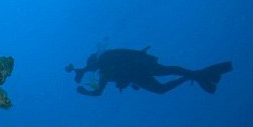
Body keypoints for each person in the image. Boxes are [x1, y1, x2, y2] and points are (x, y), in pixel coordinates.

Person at [66, 47, 232, 96]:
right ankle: (197, 75)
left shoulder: (105, 62)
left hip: (140, 69)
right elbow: (98, 91)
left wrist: (83, 90)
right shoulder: (105, 69)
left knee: (166, 80)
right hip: (141, 69)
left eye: (92, 66)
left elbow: (97, 92)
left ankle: (197, 75)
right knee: (167, 77)